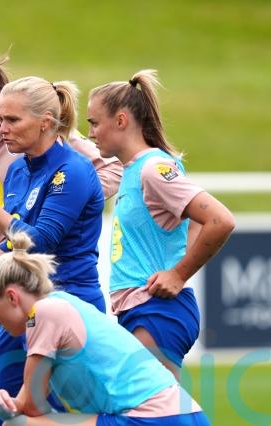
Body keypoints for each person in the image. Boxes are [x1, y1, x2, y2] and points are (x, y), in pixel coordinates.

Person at [0, 73, 119, 424]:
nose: (3, 129)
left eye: (12, 120)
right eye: (1, 120)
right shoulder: (18, 171)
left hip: (69, 306)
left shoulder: (72, 170)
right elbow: (19, 236)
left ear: (45, 122)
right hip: (24, 310)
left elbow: (41, 240)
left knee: (60, 417)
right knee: (5, 416)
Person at [86, 69, 235, 378]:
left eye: (94, 123)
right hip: (140, 309)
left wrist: (178, 274)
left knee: (149, 405)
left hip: (156, 310)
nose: (91, 133)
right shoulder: (132, 169)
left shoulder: (153, 169)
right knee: (150, 405)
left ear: (121, 120)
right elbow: (193, 223)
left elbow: (219, 220)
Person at [0, 231, 211, 426]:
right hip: (179, 415)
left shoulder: (43, 313)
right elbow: (26, 404)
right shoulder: (59, 305)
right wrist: (9, 404)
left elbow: (32, 408)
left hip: (152, 418)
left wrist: (12, 411)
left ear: (12, 297)